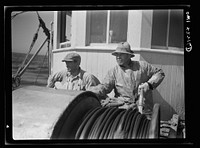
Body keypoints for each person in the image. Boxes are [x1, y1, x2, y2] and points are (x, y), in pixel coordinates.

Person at [89, 42, 165, 111]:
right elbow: (104, 87)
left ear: (129, 55)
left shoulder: (142, 66)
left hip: (143, 110)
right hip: (123, 110)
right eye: (116, 55)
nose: (118, 57)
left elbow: (160, 73)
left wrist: (149, 84)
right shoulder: (114, 72)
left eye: (121, 54)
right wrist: (89, 92)